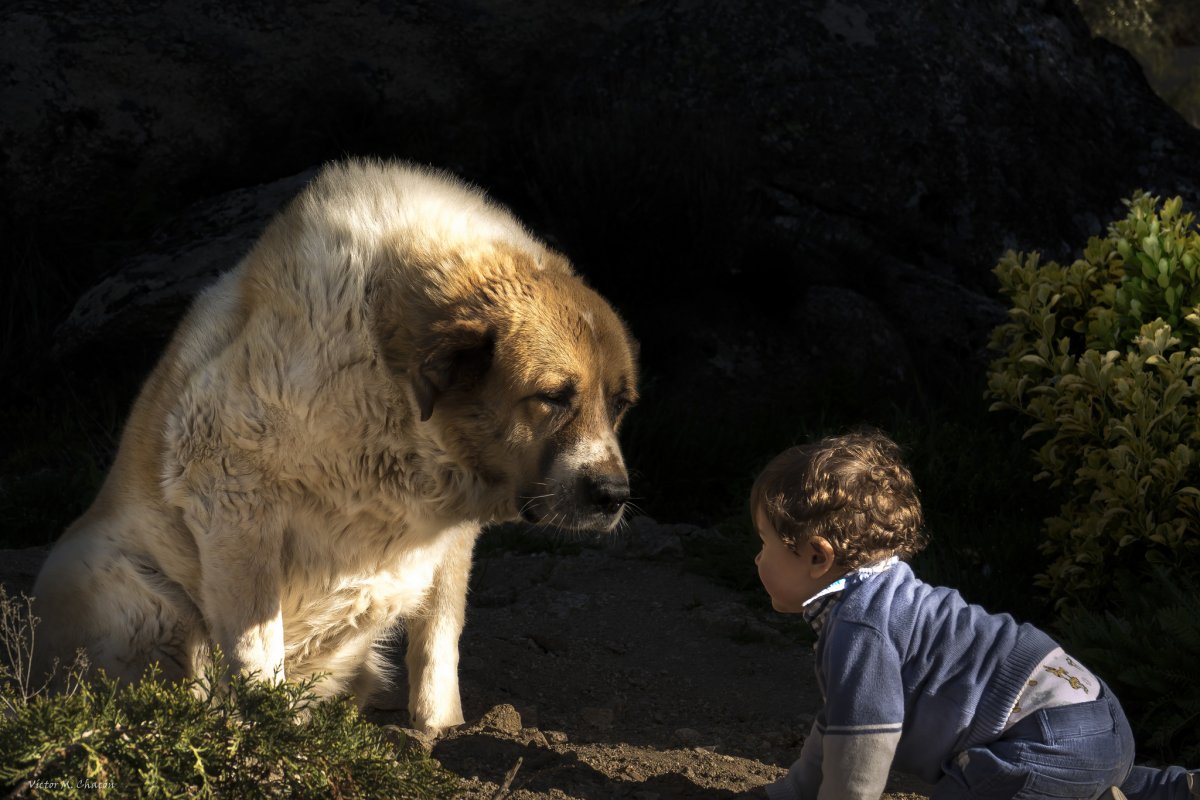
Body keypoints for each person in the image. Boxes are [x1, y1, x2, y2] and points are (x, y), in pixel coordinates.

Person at [749, 429, 1198, 800]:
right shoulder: (888, 595)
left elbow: (860, 747)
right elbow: (837, 724)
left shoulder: (859, 626)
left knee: (982, 785)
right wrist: (790, 792)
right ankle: (1175, 789)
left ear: (818, 556)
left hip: (1047, 740)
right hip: (1098, 719)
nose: (757, 559)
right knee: (1081, 777)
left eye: (765, 543)